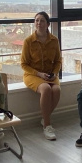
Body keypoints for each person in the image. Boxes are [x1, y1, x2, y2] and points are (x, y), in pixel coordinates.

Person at [21, 11, 61, 141]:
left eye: (42, 20)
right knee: (46, 89)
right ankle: (47, 126)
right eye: (37, 20)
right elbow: (24, 64)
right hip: (32, 74)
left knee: (56, 90)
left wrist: (54, 73)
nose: (39, 23)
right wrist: (39, 74)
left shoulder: (54, 40)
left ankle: (44, 118)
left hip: (49, 74)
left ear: (48, 24)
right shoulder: (28, 41)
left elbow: (58, 61)